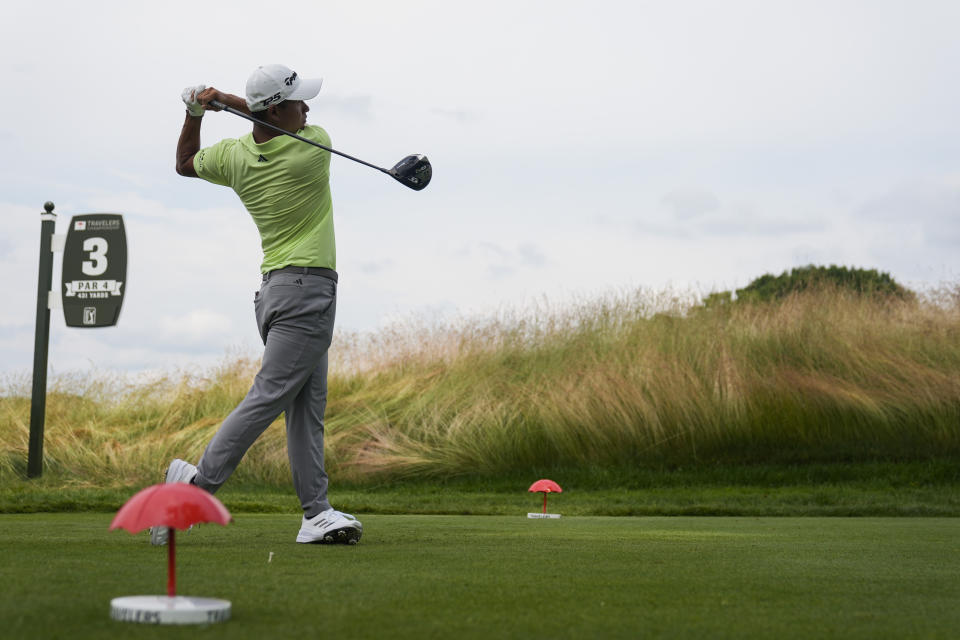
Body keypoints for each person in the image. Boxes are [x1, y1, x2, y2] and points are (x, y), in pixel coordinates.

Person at [153, 64, 362, 545]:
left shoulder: (233, 156)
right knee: (268, 397)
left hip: (274, 294)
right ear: (278, 110)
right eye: (298, 102)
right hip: (307, 293)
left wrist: (196, 112)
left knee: (306, 409)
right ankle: (193, 491)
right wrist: (224, 98)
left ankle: (316, 513)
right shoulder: (312, 149)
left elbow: (185, 164)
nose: (307, 108)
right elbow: (273, 119)